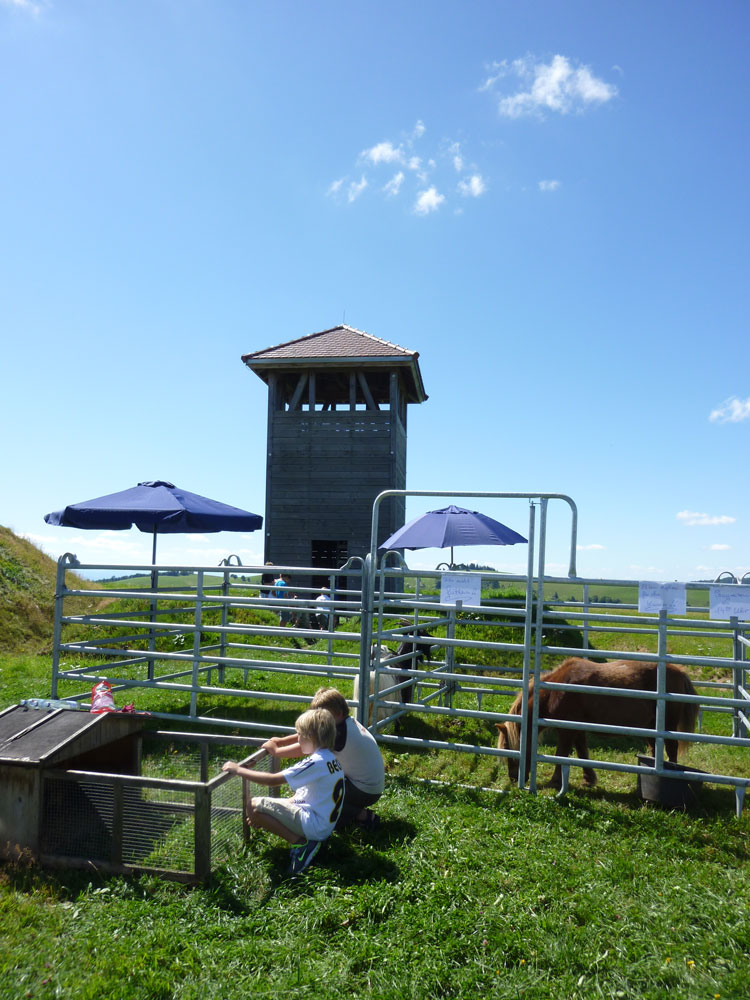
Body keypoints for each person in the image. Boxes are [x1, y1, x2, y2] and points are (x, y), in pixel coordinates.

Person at [222, 707, 344, 874]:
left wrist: (238, 770)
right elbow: (305, 795)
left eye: (300, 734)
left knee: (253, 804)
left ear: (311, 737)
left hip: (314, 825)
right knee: (259, 810)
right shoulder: (330, 759)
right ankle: (304, 840)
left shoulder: (316, 762)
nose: (298, 739)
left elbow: (272, 780)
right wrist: (264, 815)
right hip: (323, 825)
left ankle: (302, 844)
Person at [262, 687, 384, 831]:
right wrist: (282, 741)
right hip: (367, 785)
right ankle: (352, 811)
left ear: (338, 713)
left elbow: (304, 746)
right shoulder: (344, 724)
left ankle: (362, 815)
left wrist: (277, 751)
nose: (318, 720)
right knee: (321, 792)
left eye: (322, 715)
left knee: (323, 800)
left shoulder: (339, 733)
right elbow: (311, 731)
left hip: (365, 791)